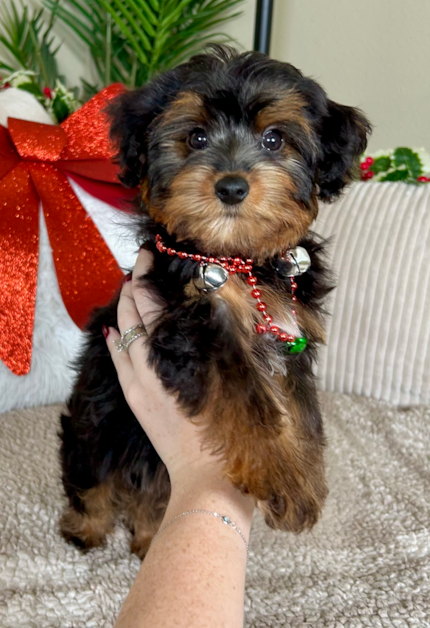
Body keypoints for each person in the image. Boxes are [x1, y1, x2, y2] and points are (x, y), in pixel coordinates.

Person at [106, 249, 253, 628]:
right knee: (106, 459)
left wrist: (205, 471)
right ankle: (90, 515)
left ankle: (147, 520)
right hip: (118, 404)